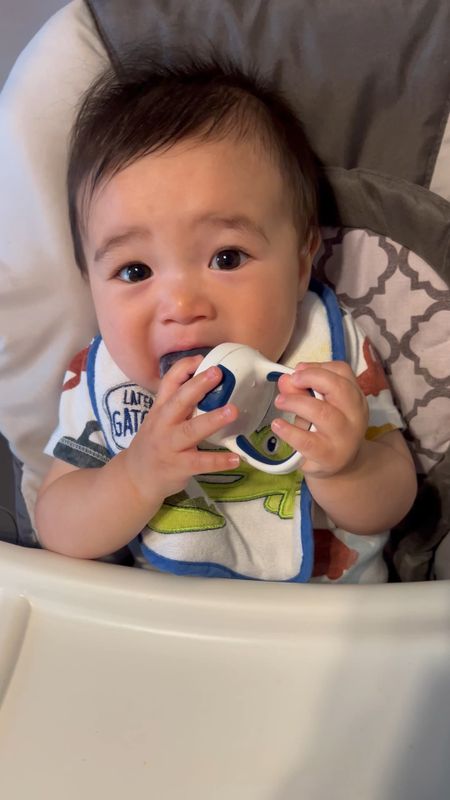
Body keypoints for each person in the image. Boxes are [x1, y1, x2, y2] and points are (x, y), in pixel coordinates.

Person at [35, 57, 417, 583]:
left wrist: (349, 469)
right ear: (90, 286)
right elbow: (56, 525)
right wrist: (134, 477)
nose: (182, 306)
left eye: (227, 258)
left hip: (328, 631)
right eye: (135, 270)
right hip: (163, 630)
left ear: (303, 260)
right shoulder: (106, 382)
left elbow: (395, 499)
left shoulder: (327, 353)